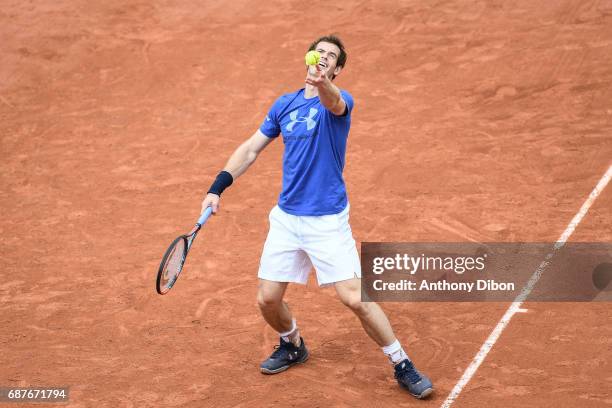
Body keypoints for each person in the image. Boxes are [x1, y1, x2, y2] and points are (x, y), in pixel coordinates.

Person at [201, 35, 433, 399]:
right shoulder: (285, 104)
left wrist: (323, 84)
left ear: (337, 69)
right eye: (319, 52)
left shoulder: (338, 103)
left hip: (327, 221)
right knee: (267, 299)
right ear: (308, 57)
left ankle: (401, 363)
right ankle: (292, 344)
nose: (323, 58)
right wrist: (218, 187)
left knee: (355, 299)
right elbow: (250, 149)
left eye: (331, 57)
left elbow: (335, 101)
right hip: (287, 220)